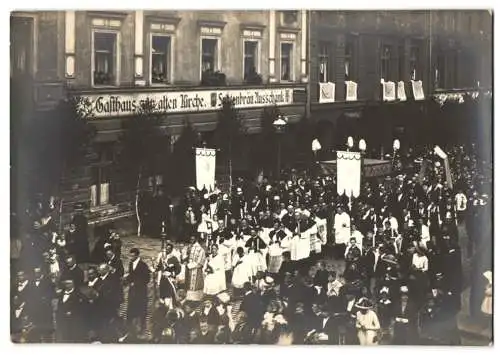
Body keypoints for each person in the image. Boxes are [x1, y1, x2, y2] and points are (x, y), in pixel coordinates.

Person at [125, 248, 151, 335]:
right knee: (130, 309)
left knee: (142, 311)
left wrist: (136, 283)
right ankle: (129, 328)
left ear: (137, 255)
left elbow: (147, 279)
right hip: (132, 292)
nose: (131, 257)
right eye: (130, 255)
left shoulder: (143, 266)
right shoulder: (130, 264)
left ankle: (142, 328)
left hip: (141, 293)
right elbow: (131, 275)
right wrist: (126, 280)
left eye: (132, 256)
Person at [156, 243, 181, 308]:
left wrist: (172, 274)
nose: (167, 250)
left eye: (169, 249)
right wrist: (154, 268)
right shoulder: (162, 258)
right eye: (166, 249)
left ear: (171, 250)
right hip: (163, 280)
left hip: (170, 280)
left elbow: (178, 269)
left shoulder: (174, 258)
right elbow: (159, 267)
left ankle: (171, 309)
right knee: (162, 297)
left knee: (169, 297)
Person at [184, 235, 206, 302]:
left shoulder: (200, 249)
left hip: (196, 269)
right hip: (189, 268)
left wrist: (190, 265)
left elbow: (200, 261)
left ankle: (196, 298)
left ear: (196, 239)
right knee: (188, 282)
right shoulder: (189, 247)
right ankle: (189, 298)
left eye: (193, 239)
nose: (191, 240)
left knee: (195, 284)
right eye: (190, 239)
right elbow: (187, 256)